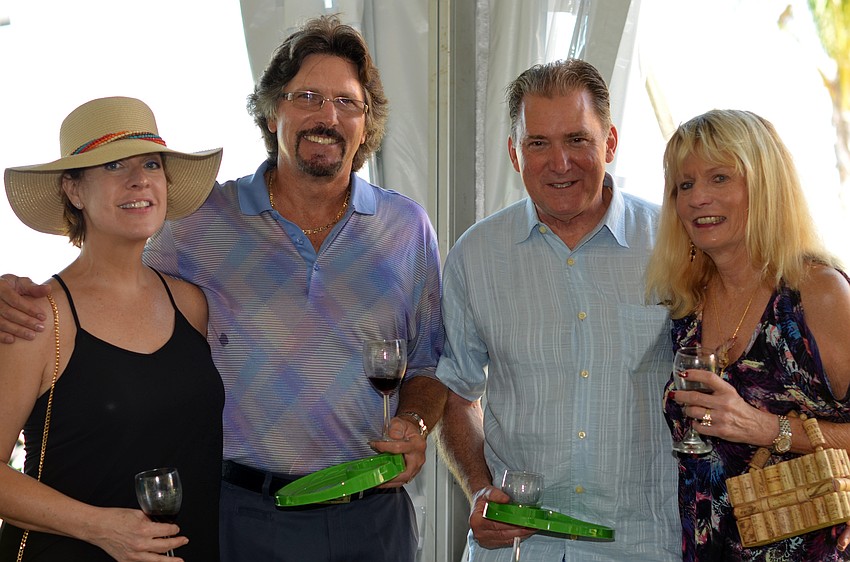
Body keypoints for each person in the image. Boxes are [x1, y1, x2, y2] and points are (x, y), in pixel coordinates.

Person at [0, 16, 445, 562]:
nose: (327, 115)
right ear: (271, 109)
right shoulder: (200, 222)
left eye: (346, 102)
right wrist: (13, 294)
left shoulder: (408, 228)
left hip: (375, 519)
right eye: (306, 96)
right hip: (243, 519)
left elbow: (429, 360)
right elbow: (109, 280)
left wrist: (416, 422)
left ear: (367, 120)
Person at [434, 59, 680, 561]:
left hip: (640, 547)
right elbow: (456, 394)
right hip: (517, 549)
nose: (559, 162)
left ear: (609, 142)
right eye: (538, 143)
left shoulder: (674, 247)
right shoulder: (474, 256)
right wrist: (481, 489)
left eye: (577, 139)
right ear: (513, 152)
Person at [0, 96, 224, 560]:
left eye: (151, 163)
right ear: (74, 191)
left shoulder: (190, 304)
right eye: (114, 164)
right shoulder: (38, 318)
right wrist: (101, 527)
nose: (139, 178)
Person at [645, 109, 850, 561]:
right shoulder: (687, 304)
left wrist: (767, 428)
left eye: (720, 178)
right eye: (684, 184)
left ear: (766, 187)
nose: (698, 197)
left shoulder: (818, 293)